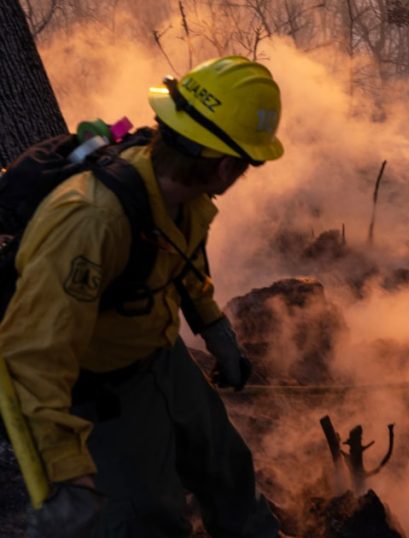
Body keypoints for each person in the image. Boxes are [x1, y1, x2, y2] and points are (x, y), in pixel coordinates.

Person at [0, 56, 284, 536]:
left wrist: (214, 327)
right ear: (225, 166)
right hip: (97, 394)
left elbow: (180, 259)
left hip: (160, 356)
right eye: (247, 167)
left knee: (227, 465)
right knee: (147, 518)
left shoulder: (181, 196)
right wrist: (65, 469)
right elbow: (31, 359)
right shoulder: (90, 221)